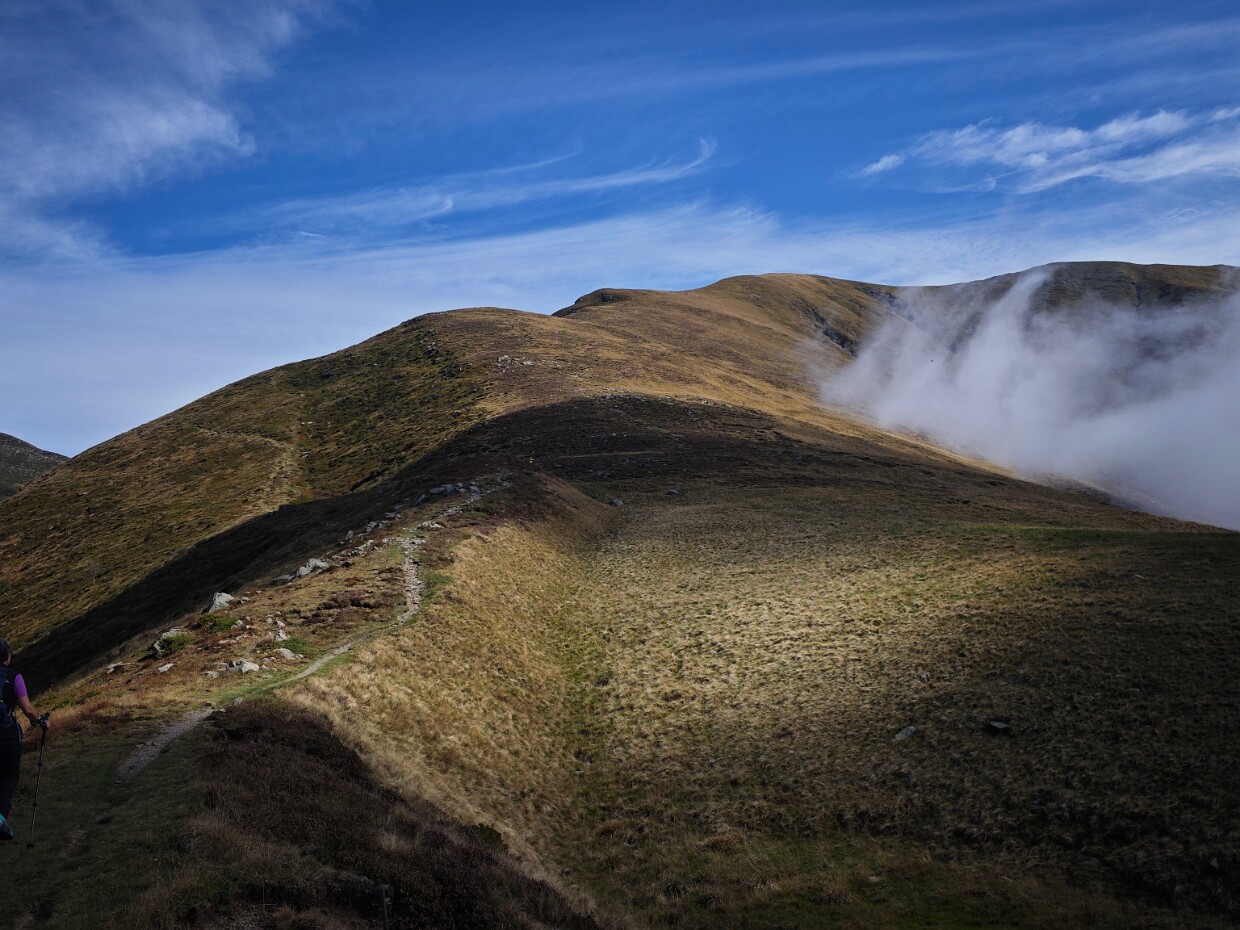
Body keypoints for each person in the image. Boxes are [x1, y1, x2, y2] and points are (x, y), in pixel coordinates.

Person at [0, 638, 49, 841]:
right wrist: (40, 722)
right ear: (8, 657)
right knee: (9, 776)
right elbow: (27, 709)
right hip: (6, 734)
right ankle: (0, 817)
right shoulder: (14, 677)